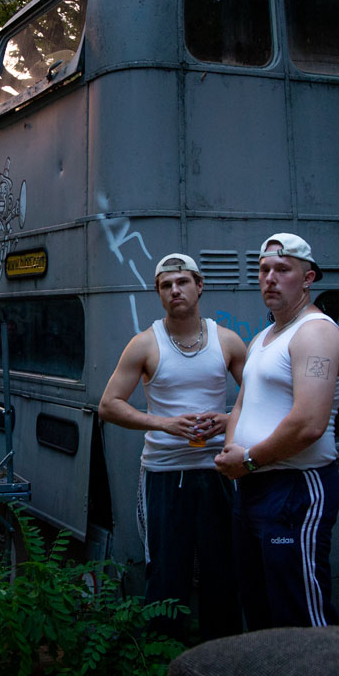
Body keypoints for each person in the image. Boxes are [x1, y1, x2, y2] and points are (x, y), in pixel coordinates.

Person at [98, 252, 246, 641]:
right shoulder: (145, 344)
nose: (175, 290)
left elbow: (262, 398)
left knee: (222, 570)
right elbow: (108, 406)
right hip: (164, 475)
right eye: (166, 285)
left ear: (200, 286)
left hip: (218, 470)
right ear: (158, 294)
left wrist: (229, 420)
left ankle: (223, 661)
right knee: (166, 573)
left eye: (182, 282)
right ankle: (162, 668)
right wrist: (165, 423)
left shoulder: (227, 340)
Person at [216, 234, 339, 629]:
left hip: (296, 491)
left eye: (282, 270)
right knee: (259, 609)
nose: (270, 278)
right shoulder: (263, 338)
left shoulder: (315, 333)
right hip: (253, 487)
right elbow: (241, 404)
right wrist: (230, 449)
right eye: (263, 270)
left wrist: (250, 459)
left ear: (308, 278)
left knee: (300, 612)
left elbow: (309, 423)